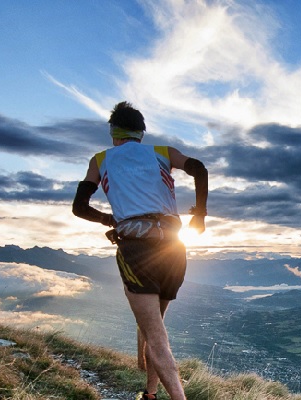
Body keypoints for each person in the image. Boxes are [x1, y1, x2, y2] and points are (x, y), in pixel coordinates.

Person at [72, 101, 207, 400]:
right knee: (154, 326)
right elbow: (199, 169)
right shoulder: (164, 152)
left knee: (156, 337)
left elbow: (79, 208)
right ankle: (149, 394)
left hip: (137, 249)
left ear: (114, 134)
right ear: (141, 133)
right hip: (174, 246)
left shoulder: (101, 160)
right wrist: (199, 215)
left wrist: (111, 220)